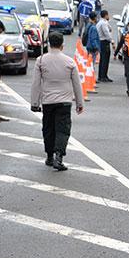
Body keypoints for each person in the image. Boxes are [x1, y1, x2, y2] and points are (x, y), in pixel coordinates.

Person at [30, 32, 84, 171]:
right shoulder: (70, 62)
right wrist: (79, 103)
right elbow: (77, 84)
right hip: (65, 101)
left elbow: (36, 83)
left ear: (49, 44)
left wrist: (34, 103)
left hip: (48, 101)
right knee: (62, 130)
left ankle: (49, 156)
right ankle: (59, 157)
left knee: (48, 129)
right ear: (62, 45)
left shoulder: (41, 60)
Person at [96, 10, 114, 82]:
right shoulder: (103, 23)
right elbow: (106, 33)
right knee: (105, 59)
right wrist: (112, 41)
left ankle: (103, 75)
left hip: (102, 42)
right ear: (106, 15)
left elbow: (110, 28)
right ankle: (103, 76)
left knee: (103, 59)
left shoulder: (102, 22)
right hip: (104, 42)